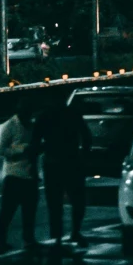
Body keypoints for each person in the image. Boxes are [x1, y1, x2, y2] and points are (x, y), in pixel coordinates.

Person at [40, 93, 93, 246]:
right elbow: (86, 137)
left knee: (54, 203)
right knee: (77, 200)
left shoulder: (44, 116)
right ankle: (75, 232)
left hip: (52, 163)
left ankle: (56, 236)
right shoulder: (73, 114)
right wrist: (84, 156)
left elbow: (35, 139)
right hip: (72, 161)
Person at [0, 107, 41, 252]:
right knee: (8, 210)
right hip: (13, 174)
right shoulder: (10, 126)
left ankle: (28, 239)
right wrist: (21, 149)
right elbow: (1, 150)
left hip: (30, 173)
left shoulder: (32, 126)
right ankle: (0, 239)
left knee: (30, 211)